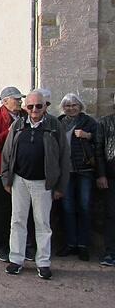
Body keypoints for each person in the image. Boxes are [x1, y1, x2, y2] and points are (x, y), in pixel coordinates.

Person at [1, 90, 70, 280]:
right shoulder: (18, 125)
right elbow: (7, 154)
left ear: (45, 106)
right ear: (25, 107)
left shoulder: (54, 126)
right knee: (17, 221)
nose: (34, 110)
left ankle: (44, 262)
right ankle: (16, 259)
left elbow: (64, 157)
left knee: (43, 223)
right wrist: (6, 179)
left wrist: (60, 186)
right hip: (20, 180)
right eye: (30, 106)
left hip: (43, 183)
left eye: (38, 106)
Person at [0, 86, 27, 262]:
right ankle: (2, 244)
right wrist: (8, 132)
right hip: (2, 171)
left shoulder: (25, 115)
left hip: (22, 169)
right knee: (4, 209)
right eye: (16, 99)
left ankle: (21, 246)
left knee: (21, 210)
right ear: (5, 102)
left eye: (20, 99)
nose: (19, 101)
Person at [56, 93, 97, 261]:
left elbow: (99, 140)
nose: (71, 108)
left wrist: (88, 136)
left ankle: (83, 245)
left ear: (80, 106)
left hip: (84, 170)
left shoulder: (89, 122)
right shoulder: (59, 122)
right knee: (67, 208)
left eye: (74, 105)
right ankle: (71, 243)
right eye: (67, 106)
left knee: (85, 207)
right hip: (66, 171)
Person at [95, 95, 115, 267]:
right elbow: (99, 150)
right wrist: (101, 174)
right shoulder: (105, 122)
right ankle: (110, 252)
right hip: (111, 176)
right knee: (111, 214)